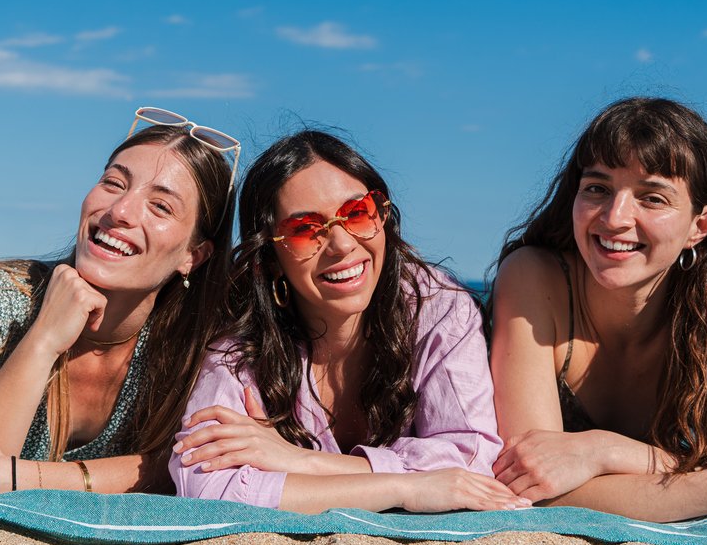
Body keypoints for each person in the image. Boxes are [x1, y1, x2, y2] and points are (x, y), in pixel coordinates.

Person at [490, 97, 707, 522]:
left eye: (652, 198)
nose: (616, 218)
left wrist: (601, 451)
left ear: (700, 226)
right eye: (597, 188)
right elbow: (529, 481)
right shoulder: (535, 278)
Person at [169, 130, 527, 514]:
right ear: (268, 260)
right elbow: (207, 484)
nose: (342, 245)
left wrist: (302, 462)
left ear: (383, 216)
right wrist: (407, 489)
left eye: (357, 213)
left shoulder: (438, 307)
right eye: (305, 229)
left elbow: (472, 458)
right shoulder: (239, 338)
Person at [0, 107, 238, 499]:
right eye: (113, 183)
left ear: (193, 256)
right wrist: (44, 339)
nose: (119, 211)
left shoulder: (203, 339)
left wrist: (16, 479)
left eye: (160, 206)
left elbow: (180, 466)